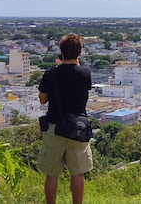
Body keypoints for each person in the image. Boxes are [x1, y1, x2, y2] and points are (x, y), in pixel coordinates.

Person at [37, 33, 93, 204]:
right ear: (80, 52)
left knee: (52, 174)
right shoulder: (85, 73)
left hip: (55, 127)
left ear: (61, 52)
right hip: (78, 129)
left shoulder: (50, 74)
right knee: (77, 173)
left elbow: (42, 99)